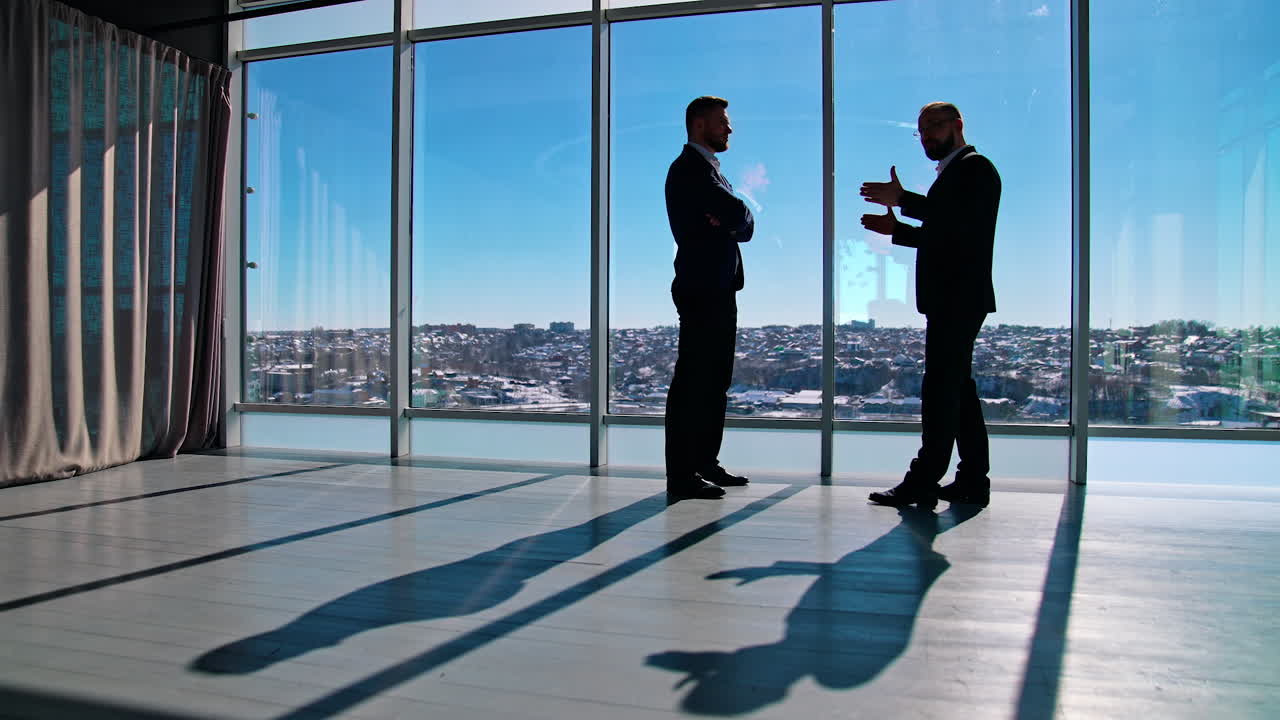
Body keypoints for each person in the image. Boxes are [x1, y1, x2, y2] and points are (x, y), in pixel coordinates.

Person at [859, 102, 1001, 508]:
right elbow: (948, 233)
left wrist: (903, 200)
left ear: (958, 125)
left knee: (940, 391)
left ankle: (923, 480)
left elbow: (958, 227)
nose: (927, 136)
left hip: (958, 296)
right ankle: (973, 479)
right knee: (958, 390)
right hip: (956, 297)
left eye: (934, 127)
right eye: (921, 131)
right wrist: (898, 229)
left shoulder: (976, 169)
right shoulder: (957, 174)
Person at [663, 96, 754, 500]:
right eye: (723, 122)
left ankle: (704, 463)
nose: (729, 129)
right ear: (699, 125)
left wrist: (732, 220)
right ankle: (682, 474)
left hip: (718, 287)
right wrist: (732, 219)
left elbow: (744, 221)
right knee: (693, 382)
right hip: (702, 288)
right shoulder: (689, 170)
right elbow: (737, 214)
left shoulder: (712, 173)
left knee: (716, 382)